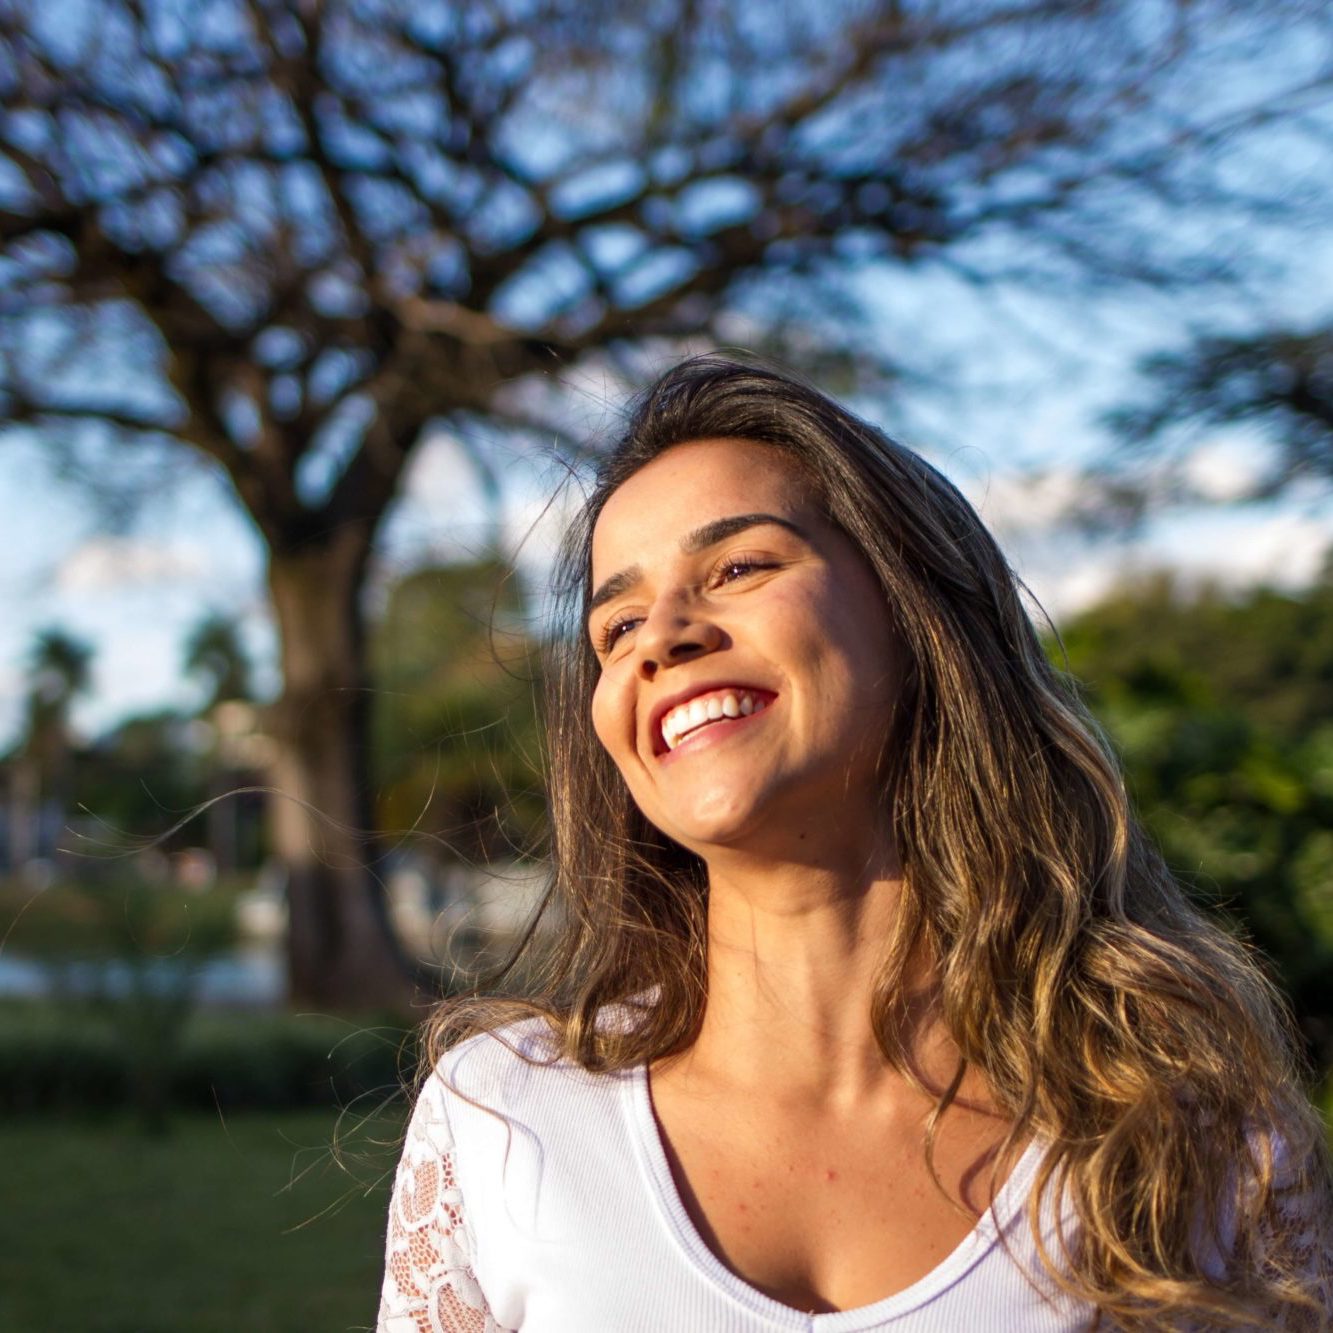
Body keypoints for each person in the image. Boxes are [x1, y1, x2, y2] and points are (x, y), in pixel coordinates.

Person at [377, 355, 1333, 1331]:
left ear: (917, 619)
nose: (659, 636)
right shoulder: (500, 1121)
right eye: (615, 624)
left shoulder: (1181, 1134)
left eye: (740, 566)